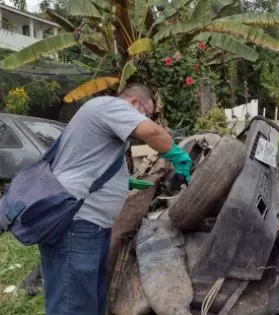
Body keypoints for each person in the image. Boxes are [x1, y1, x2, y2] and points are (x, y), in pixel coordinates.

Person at [39, 83, 192, 315]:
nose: (146, 119)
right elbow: (153, 133)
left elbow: (91, 162)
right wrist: (178, 156)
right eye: (147, 114)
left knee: (91, 299)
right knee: (72, 303)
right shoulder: (109, 106)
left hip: (92, 226)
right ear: (134, 103)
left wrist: (125, 183)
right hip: (76, 224)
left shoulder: (107, 124)